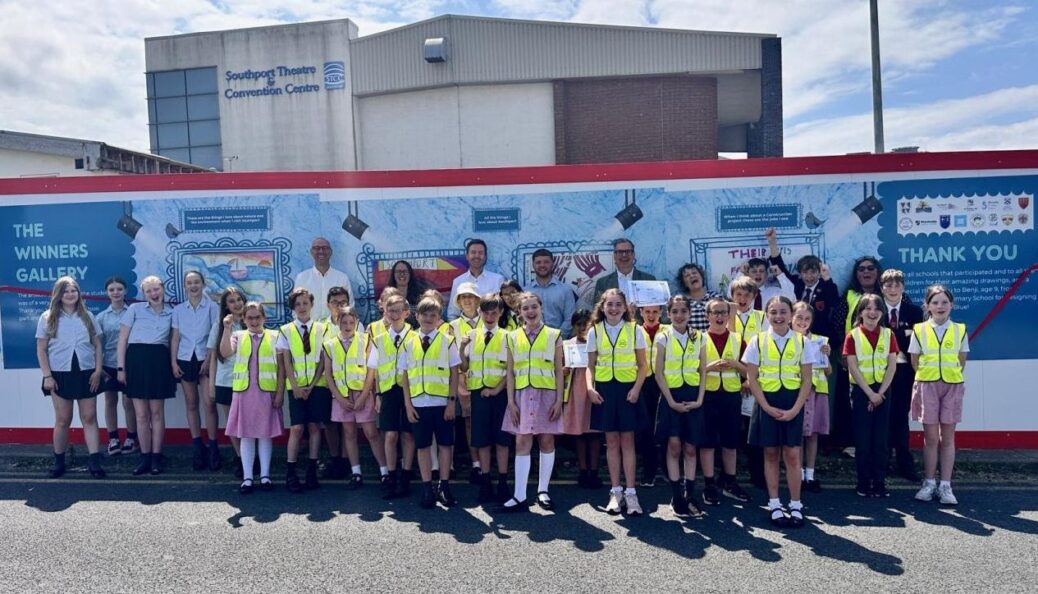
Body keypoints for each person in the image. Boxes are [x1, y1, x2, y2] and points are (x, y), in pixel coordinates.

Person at [743, 296, 816, 528]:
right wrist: (765, 407)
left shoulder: (803, 342)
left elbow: (807, 380)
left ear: (791, 314)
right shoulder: (758, 340)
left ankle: (796, 504)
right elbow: (751, 378)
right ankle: (774, 504)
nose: (778, 316)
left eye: (783, 312)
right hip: (767, 403)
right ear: (767, 315)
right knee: (771, 454)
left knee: (793, 456)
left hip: (792, 402)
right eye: (773, 312)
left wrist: (795, 409)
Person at [498, 292, 565, 512]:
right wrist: (511, 401)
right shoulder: (512, 336)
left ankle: (543, 491)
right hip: (521, 396)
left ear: (541, 307)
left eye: (534, 306)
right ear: (519, 313)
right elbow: (509, 371)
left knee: (547, 441)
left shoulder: (554, 334)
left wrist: (559, 399)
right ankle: (519, 495)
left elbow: (558, 370)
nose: (530, 311)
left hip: (547, 394)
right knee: (522, 443)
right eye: (525, 308)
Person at [585, 288, 649, 516]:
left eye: (618, 304)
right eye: (609, 304)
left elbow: (643, 366)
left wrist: (636, 389)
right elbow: (590, 366)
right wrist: (590, 388)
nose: (613, 309)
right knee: (611, 443)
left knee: (628, 442)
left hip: (628, 391)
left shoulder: (635, 330)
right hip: (605, 391)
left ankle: (631, 493)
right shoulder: (595, 331)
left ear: (625, 308)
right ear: (602, 307)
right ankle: (616, 492)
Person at [36, 277, 106, 478]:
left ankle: (94, 461)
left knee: (89, 417)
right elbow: (41, 349)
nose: (70, 294)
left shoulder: (88, 316)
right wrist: (47, 376)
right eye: (66, 291)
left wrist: (98, 370)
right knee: (63, 420)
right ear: (59, 294)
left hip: (87, 373)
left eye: (74, 290)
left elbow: (98, 345)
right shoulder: (47, 317)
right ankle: (59, 461)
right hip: (59, 375)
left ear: (78, 293)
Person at [400, 296, 461, 509]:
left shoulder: (448, 341)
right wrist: (408, 405)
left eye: (433, 315)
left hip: (442, 404)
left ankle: (444, 486)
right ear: (416, 316)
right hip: (418, 404)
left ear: (439, 318)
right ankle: (427, 487)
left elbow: (455, 373)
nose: (428, 318)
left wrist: (452, 402)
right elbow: (405, 377)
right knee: (423, 446)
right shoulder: (408, 343)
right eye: (424, 314)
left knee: (445, 445)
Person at [910, 285, 968, 506]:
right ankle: (929, 483)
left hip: (952, 385)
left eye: (944, 302)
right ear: (927, 306)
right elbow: (915, 361)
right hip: (927, 385)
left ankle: (946, 485)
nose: (940, 306)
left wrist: (947, 375)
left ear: (951, 305)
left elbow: (961, 360)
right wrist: (930, 376)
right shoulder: (919, 329)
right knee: (931, 438)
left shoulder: (960, 329)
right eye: (935, 302)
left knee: (948, 438)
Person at [220, 301, 285, 494]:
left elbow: (282, 368)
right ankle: (247, 477)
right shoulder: (237, 336)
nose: (254, 321)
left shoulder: (275, 336)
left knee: (265, 434)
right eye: (250, 318)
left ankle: (265, 476)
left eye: (258, 317)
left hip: (267, 392)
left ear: (264, 318)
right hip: (244, 393)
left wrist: (280, 392)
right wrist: (226, 328)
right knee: (246, 435)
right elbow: (224, 352)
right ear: (244, 319)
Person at [653, 295, 707, 517]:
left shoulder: (699, 337)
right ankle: (676, 497)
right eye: (674, 311)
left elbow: (703, 370)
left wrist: (701, 399)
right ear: (668, 314)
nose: (679, 315)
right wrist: (671, 402)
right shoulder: (663, 337)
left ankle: (689, 494)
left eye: (683, 311)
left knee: (691, 448)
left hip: (693, 396)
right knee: (674, 446)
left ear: (689, 313)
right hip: (671, 397)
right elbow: (658, 373)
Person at [116, 275, 175, 476]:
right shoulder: (134, 310)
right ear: (144, 294)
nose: (153, 293)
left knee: (157, 413)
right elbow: (122, 339)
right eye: (148, 291)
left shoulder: (172, 313)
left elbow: (173, 341)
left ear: (163, 289)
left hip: (159, 361)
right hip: (136, 361)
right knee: (141, 415)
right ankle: (145, 458)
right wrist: (121, 368)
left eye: (156, 289)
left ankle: (157, 458)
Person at [324, 305, 387, 489]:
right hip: (342, 397)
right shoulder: (330, 345)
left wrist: (364, 396)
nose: (348, 325)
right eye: (344, 322)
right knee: (349, 434)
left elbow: (371, 371)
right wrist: (339, 398)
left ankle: (385, 471)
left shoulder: (366, 341)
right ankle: (356, 472)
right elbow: (328, 375)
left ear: (357, 322)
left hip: (362, 395)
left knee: (371, 433)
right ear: (338, 322)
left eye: (352, 322)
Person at [697, 298, 751, 506]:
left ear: (729, 316)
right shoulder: (699, 339)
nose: (719, 317)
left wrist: (736, 364)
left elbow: (749, 371)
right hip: (707, 395)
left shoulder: (738, 340)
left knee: (731, 441)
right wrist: (709, 367)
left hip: (730, 395)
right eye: (715, 313)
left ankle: (730, 481)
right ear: (707, 316)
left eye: (723, 313)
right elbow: (691, 368)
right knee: (708, 441)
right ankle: (709, 484)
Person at [458, 293, 512, 503]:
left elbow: (510, 370)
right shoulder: (471, 335)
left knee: (502, 440)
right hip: (478, 394)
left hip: (500, 395)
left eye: (494, 312)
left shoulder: (509, 336)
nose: (489, 316)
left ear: (500, 313)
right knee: (482, 441)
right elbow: (464, 367)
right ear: (479, 312)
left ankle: (503, 482)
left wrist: (496, 390)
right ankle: (486, 481)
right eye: (485, 312)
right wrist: (462, 348)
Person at [277, 288, 332, 493]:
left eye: (305, 303)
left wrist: (314, 382)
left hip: (317, 386)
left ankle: (311, 470)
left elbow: (323, 360)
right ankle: (291, 472)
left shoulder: (322, 329)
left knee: (315, 427)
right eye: (298, 304)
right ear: (293, 308)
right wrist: (297, 386)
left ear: (311, 304)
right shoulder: (286, 331)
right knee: (297, 428)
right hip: (296, 388)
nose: (302, 307)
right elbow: (286, 361)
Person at [844, 293, 898, 498]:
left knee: (881, 440)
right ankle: (863, 482)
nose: (872, 312)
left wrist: (880, 393)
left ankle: (880, 482)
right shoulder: (853, 335)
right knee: (863, 439)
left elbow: (892, 366)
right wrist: (869, 394)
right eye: (867, 308)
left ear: (882, 313)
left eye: (877, 308)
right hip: (861, 391)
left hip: (883, 391)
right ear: (860, 312)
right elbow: (853, 366)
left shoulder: (888, 334)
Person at [170, 270, 220, 471]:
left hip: (205, 358)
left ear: (203, 284)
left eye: (196, 282)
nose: (193, 286)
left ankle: (214, 447)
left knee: (209, 404)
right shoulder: (178, 310)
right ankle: (198, 447)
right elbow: (175, 337)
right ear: (185, 286)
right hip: (184, 358)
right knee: (191, 404)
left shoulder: (212, 307)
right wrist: (173, 362)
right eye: (189, 283)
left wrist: (209, 359)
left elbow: (215, 335)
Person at [831, 256, 883, 448]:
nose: (866, 272)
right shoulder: (849, 295)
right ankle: (850, 445)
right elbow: (838, 323)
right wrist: (844, 353)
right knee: (849, 405)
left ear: (878, 271)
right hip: (851, 360)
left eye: (870, 268)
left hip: (881, 366)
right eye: (861, 269)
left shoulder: (887, 292)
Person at [371, 292, 417, 499]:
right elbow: (375, 370)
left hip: (410, 392)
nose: (395, 314)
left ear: (407, 313)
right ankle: (390, 476)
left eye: (399, 310)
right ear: (385, 312)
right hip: (388, 391)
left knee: (408, 434)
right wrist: (378, 394)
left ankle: (406, 476)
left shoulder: (415, 337)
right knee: (390, 435)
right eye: (391, 310)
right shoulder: (379, 340)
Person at [880, 269, 924, 482]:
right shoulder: (874, 309)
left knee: (900, 418)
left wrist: (896, 335)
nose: (893, 289)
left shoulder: (915, 312)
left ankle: (904, 463)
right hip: (880, 373)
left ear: (903, 288)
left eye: (897, 285)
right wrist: (901, 335)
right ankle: (883, 461)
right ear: (882, 288)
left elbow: (918, 344)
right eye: (888, 285)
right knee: (883, 417)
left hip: (906, 372)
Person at [791, 302, 832, 493]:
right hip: (797, 391)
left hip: (818, 391)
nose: (803, 322)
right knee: (797, 435)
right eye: (799, 317)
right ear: (792, 317)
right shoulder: (788, 340)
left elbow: (829, 371)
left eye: (807, 319)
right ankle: (797, 473)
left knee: (813, 434)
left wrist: (826, 356)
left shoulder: (820, 340)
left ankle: (810, 475)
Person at [96, 276, 137, 456]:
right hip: (109, 365)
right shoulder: (102, 317)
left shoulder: (134, 312)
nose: (116, 292)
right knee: (110, 401)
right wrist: (100, 368)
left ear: (125, 290)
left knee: (129, 402)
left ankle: (131, 438)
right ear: (107, 293)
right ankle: (113, 439)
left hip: (130, 364)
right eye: (112, 289)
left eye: (119, 289)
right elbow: (96, 345)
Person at [207, 287, 246, 475]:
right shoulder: (219, 326)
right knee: (232, 424)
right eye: (231, 301)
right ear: (225, 306)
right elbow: (214, 357)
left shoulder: (252, 322)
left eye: (239, 299)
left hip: (247, 382)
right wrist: (211, 386)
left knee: (246, 423)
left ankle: (249, 456)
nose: (237, 303)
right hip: (225, 381)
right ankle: (240, 457)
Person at [562, 309, 603, 489]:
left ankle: (594, 470)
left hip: (594, 389)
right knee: (579, 433)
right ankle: (583, 469)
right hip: (575, 392)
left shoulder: (599, 343)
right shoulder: (568, 345)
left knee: (594, 433)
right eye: (579, 324)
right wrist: (564, 369)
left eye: (587, 324)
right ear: (573, 326)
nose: (583, 328)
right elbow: (562, 368)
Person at [450, 282, 483, 482]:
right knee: (468, 423)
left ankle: (485, 464)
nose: (468, 300)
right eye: (463, 297)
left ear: (478, 300)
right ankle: (476, 464)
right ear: (458, 302)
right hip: (462, 382)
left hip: (486, 380)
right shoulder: (451, 326)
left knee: (484, 423)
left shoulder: (488, 321)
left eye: (471, 296)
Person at [772, 255, 839, 339]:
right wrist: (772, 242)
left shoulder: (827, 286)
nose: (809, 276)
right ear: (800, 273)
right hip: (796, 337)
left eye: (813, 272)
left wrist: (826, 277)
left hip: (820, 337)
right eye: (805, 272)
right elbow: (780, 267)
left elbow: (835, 302)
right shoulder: (796, 284)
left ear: (819, 273)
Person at [726, 229, 795, 308]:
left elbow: (790, 296)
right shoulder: (742, 293)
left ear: (766, 275)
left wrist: (780, 275)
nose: (758, 273)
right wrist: (741, 272)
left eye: (761, 271)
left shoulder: (774, 292)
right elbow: (730, 294)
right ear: (747, 275)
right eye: (754, 271)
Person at [636, 304, 664, 487]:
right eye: (647, 312)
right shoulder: (635, 331)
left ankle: (669, 469)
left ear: (661, 312)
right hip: (644, 383)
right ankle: (649, 470)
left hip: (665, 383)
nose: (651, 315)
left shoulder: (668, 330)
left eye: (655, 312)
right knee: (646, 429)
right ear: (641, 313)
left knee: (666, 427)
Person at [295, 237, 354, 321]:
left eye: (325, 248)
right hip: (311, 330)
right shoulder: (302, 278)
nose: (321, 251)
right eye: (317, 248)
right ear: (311, 252)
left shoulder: (342, 278)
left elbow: (349, 307)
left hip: (336, 329)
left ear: (330, 252)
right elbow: (296, 307)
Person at [592, 238, 656, 314]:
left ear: (633, 254)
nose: (624, 255)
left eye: (628, 251)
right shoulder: (602, 283)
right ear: (614, 256)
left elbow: (656, 310)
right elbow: (598, 312)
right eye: (620, 252)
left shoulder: (649, 280)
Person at [524, 248, 577, 338]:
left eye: (546, 262)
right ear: (533, 265)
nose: (542, 265)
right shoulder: (525, 291)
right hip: (532, 342)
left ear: (552, 264)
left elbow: (569, 319)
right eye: (538, 262)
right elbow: (523, 319)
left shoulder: (565, 290)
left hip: (560, 341)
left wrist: (557, 338)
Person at [448, 239, 505, 321]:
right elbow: (453, 314)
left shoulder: (498, 279)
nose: (477, 256)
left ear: (485, 257)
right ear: (467, 256)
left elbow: (502, 312)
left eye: (480, 253)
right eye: (473, 252)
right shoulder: (458, 281)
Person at [676, 263, 721, 332]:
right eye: (687, 275)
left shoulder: (715, 297)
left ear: (701, 276)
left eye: (694, 273)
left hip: (713, 341)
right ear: (684, 283)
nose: (692, 276)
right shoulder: (682, 302)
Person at [386, 260, 424, 324]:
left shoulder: (420, 298)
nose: (402, 274)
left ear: (410, 274)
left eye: (405, 271)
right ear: (393, 275)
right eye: (398, 271)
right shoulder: (386, 297)